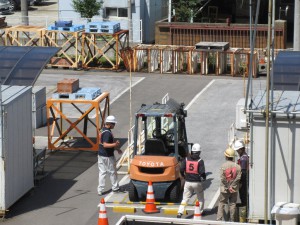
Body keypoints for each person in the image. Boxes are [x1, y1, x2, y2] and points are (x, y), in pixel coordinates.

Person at [177, 143, 206, 218]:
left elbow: (181, 169)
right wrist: (204, 178)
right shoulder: (200, 161)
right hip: (196, 182)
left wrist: (183, 176)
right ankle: (199, 212)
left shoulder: (186, 159)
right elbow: (202, 173)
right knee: (200, 198)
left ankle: (180, 212)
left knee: (185, 198)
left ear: (192, 151)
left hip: (188, 182)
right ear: (199, 152)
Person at [97, 115, 122, 196]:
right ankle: (115, 188)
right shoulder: (107, 133)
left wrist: (116, 148)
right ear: (110, 124)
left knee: (102, 172)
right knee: (112, 172)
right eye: (114, 124)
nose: (114, 125)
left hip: (101, 154)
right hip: (107, 156)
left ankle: (100, 190)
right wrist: (115, 144)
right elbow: (105, 145)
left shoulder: (103, 130)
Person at [216, 147, 241, 222]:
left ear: (226, 156)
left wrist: (228, 186)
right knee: (233, 204)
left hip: (225, 189)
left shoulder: (223, 166)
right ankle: (232, 220)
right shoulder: (238, 167)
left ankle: (219, 220)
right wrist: (232, 186)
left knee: (221, 203)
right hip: (234, 189)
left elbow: (222, 178)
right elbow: (238, 177)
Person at [233, 139, 249, 207]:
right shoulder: (245, 156)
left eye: (238, 150)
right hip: (244, 179)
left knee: (243, 193)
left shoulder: (243, 159)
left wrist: (240, 182)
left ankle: (244, 205)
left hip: (243, 180)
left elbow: (243, 172)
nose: (237, 151)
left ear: (241, 149)